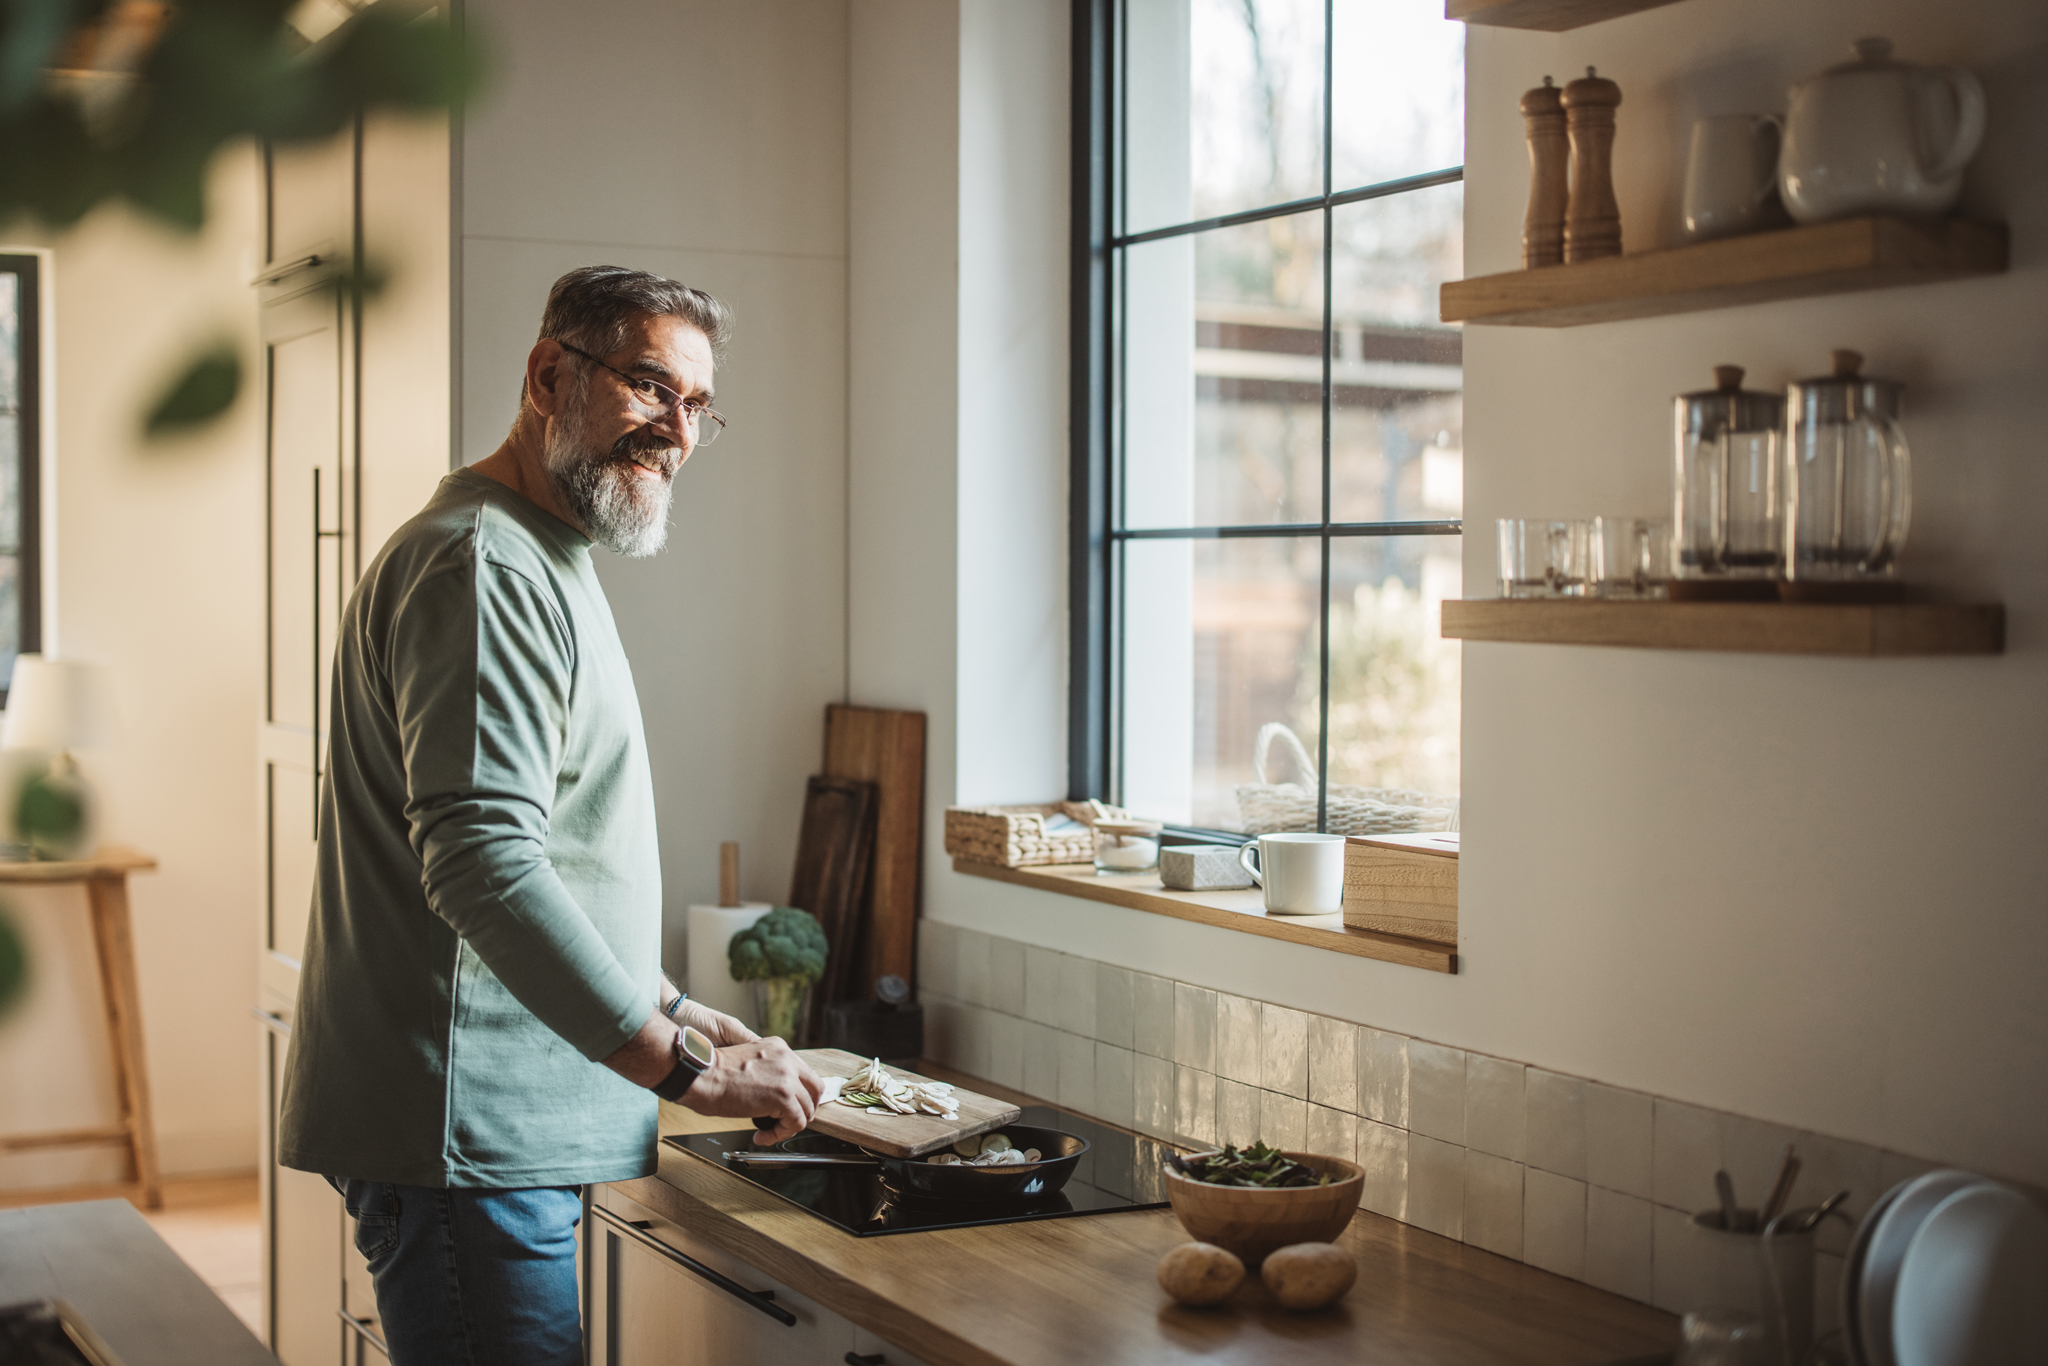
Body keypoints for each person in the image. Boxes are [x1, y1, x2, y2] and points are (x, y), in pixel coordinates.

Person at [277, 265, 823, 1365]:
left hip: (494, 1128)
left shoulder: (536, 554)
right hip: (467, 1128)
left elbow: (549, 848)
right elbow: (483, 860)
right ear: (546, 376)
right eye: (648, 388)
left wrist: (669, 999)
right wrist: (690, 1068)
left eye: (696, 408)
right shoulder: (484, 564)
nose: (674, 431)